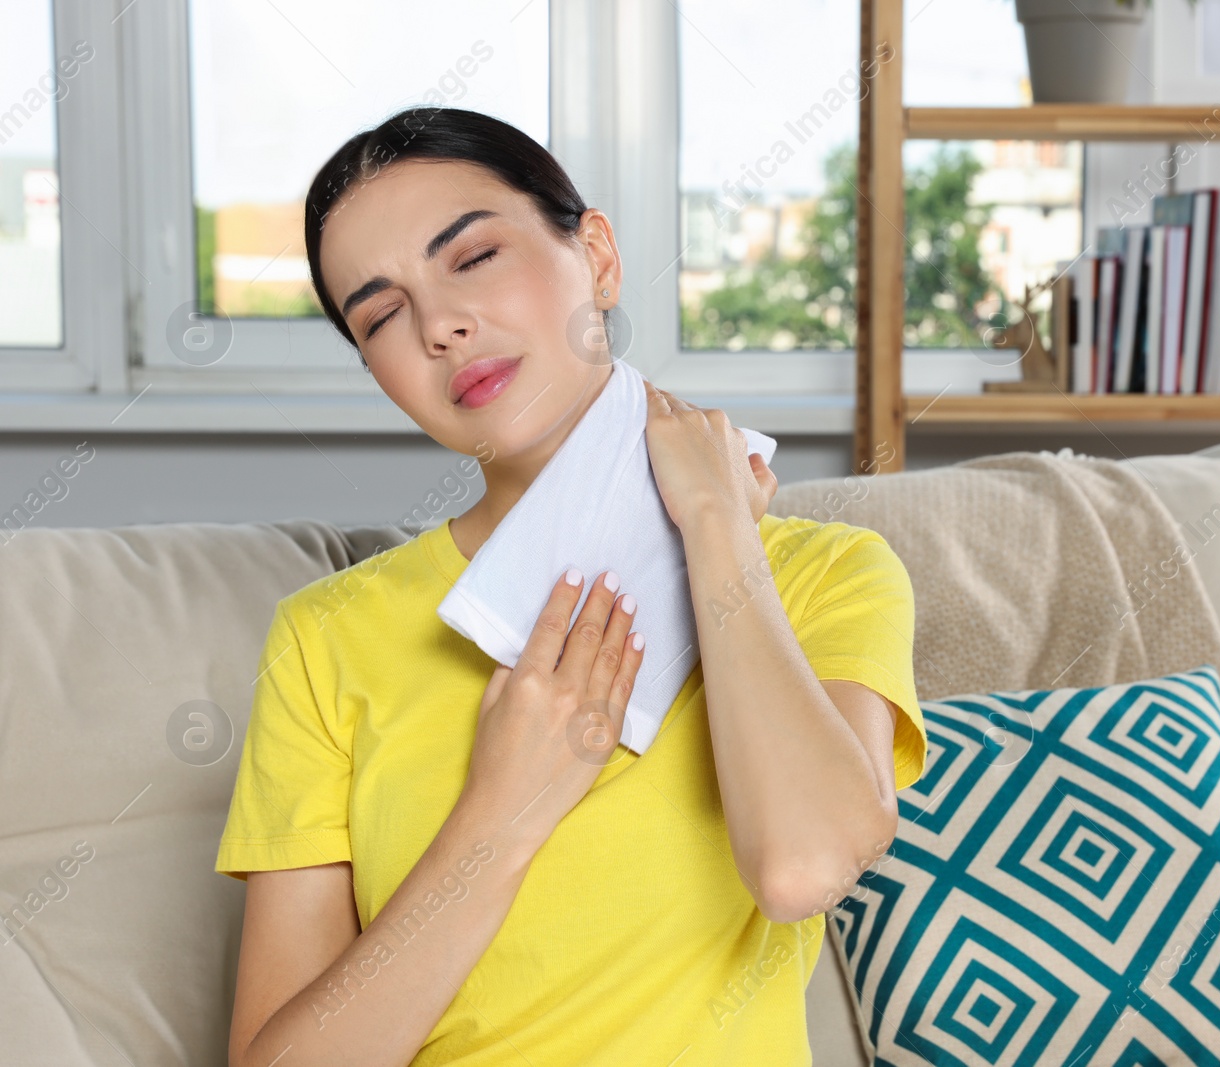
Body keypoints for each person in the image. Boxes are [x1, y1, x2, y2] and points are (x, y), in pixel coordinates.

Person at [213, 106, 925, 1067]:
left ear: (594, 252)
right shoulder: (325, 637)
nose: (440, 325)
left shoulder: (820, 576)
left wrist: (717, 529)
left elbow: (803, 866)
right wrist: (503, 809)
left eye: (472, 258)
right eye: (380, 314)